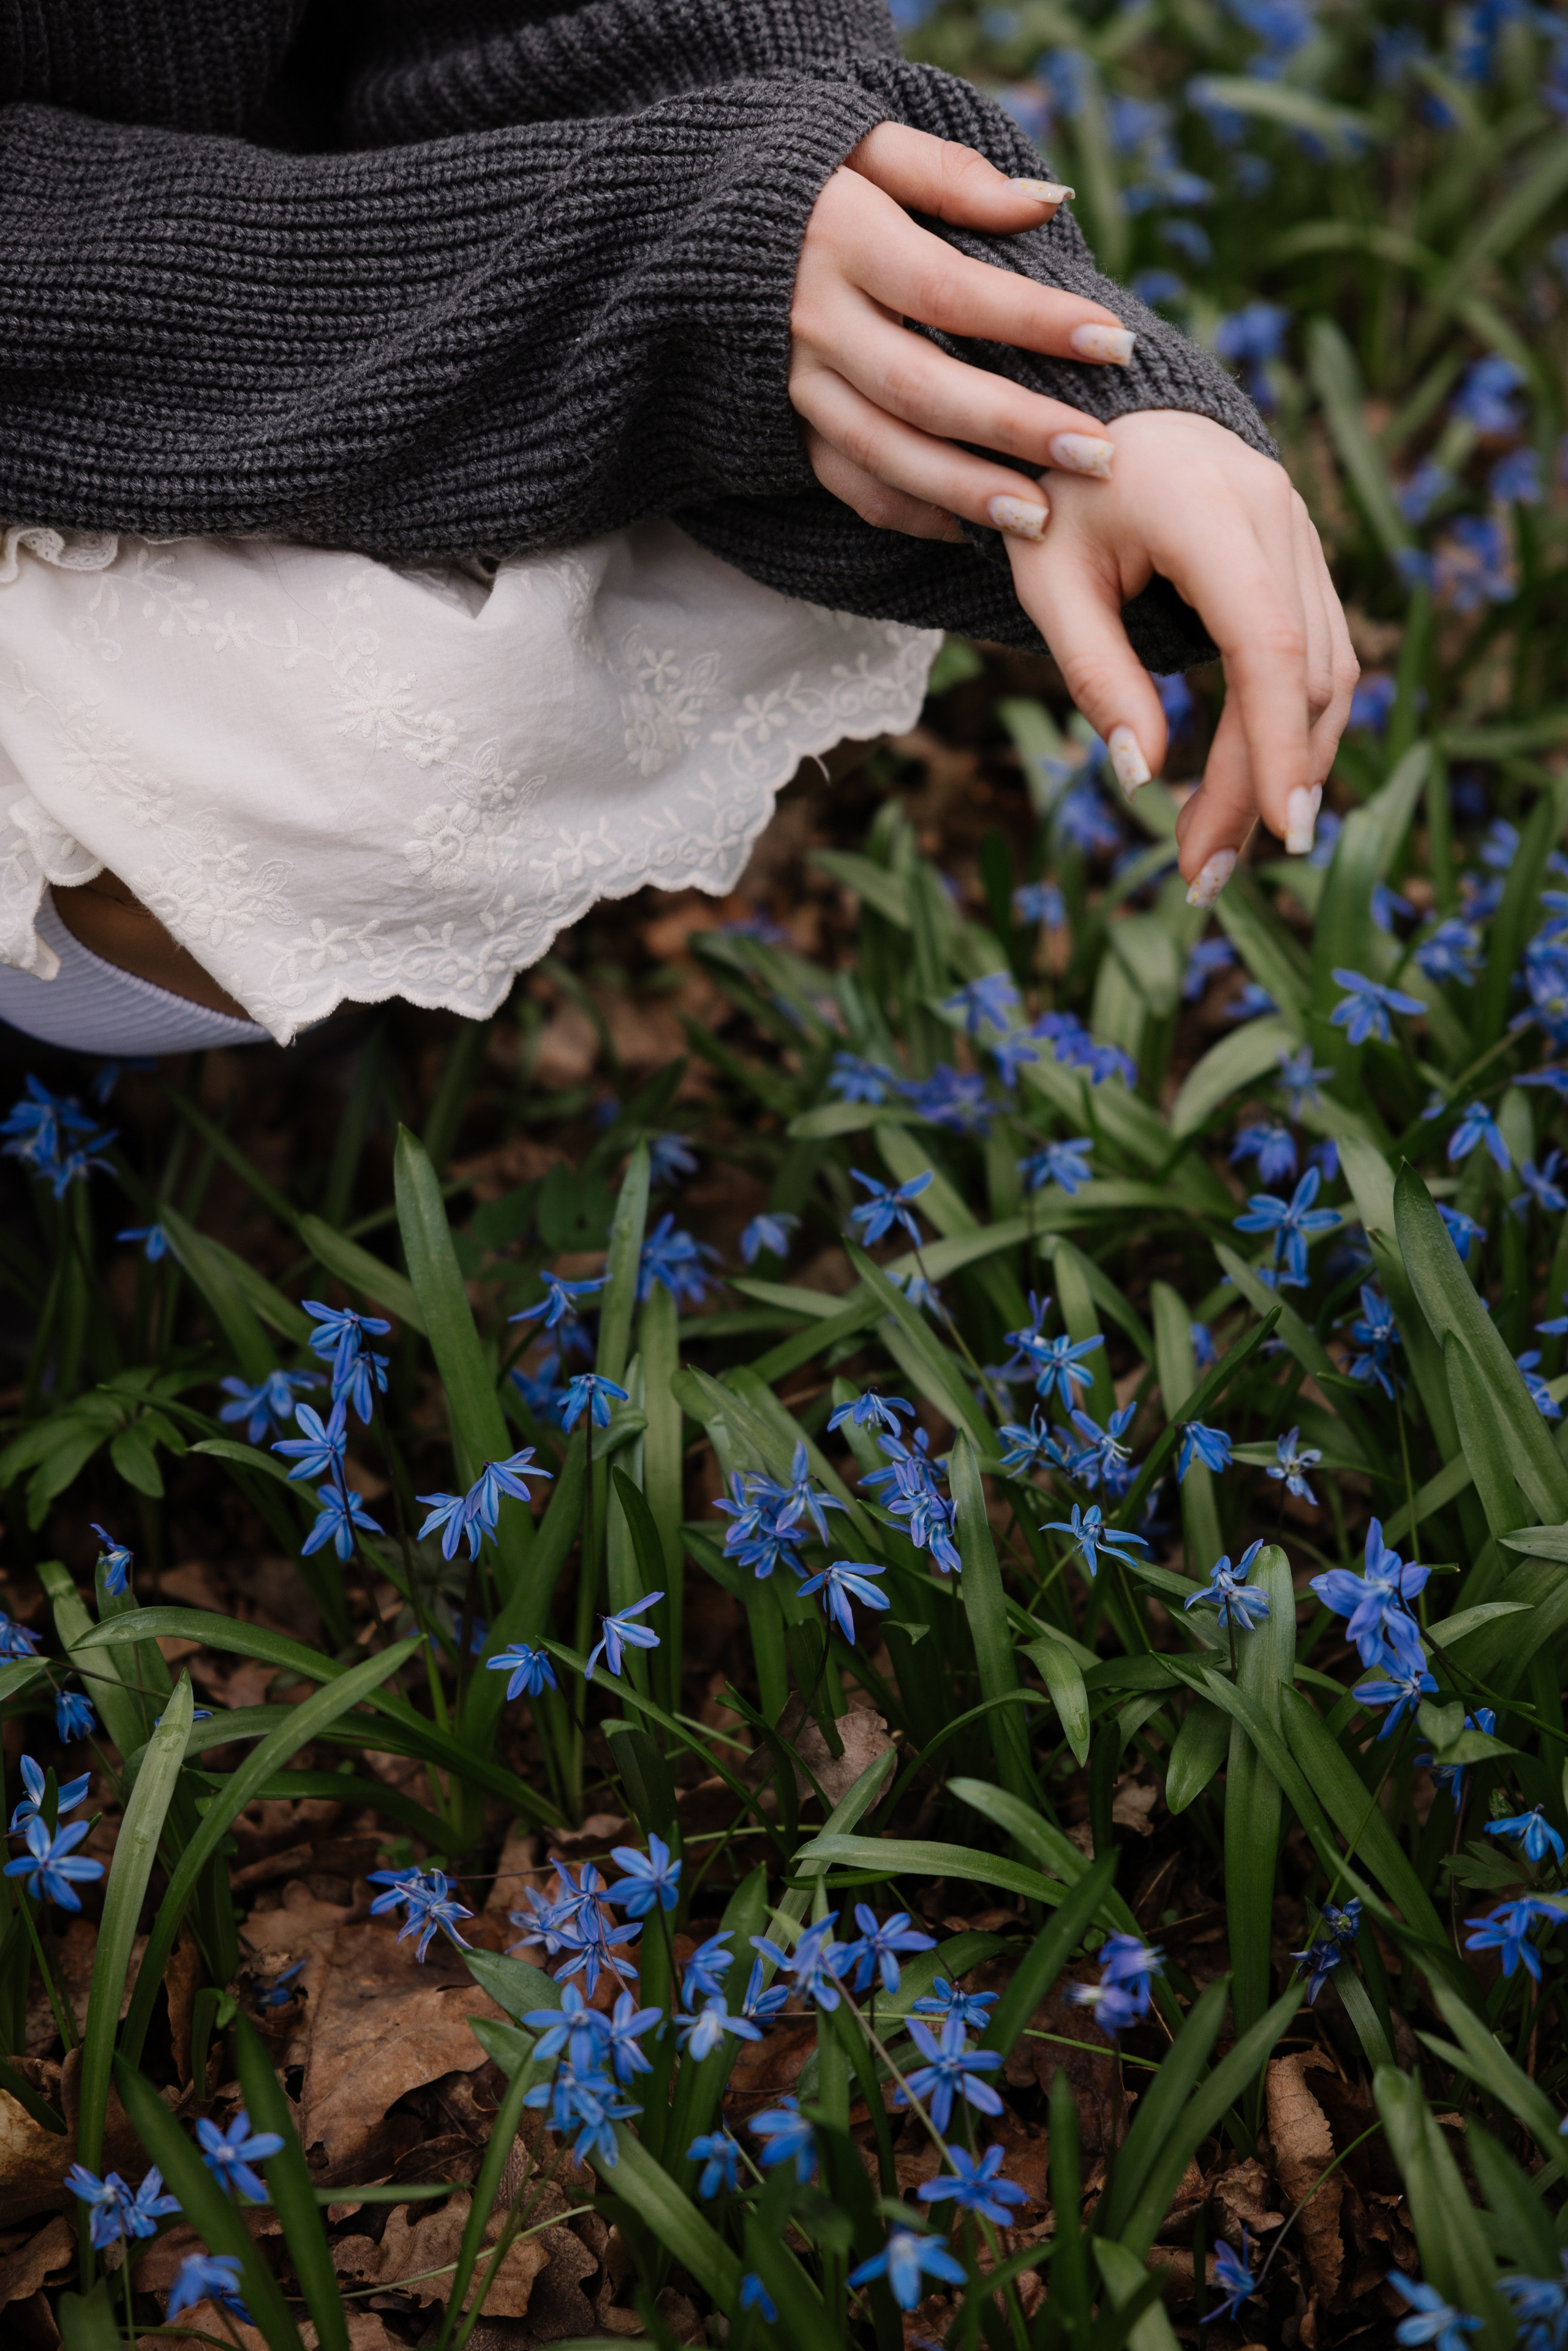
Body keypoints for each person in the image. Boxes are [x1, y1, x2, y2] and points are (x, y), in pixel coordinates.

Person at [0, 1, 1355, 1054]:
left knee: (660, 561)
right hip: (100, 326)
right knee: (318, 765)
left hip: (280, 249)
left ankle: (233, 998)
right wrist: (647, 263)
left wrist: (1053, 398)